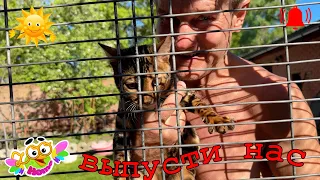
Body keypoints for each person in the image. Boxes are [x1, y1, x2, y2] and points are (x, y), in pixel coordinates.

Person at [129, 0, 320, 179]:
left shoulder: (274, 97)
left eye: (204, 19)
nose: (181, 42)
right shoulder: (136, 88)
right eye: (166, 19)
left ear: (239, 16)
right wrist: (147, 157)